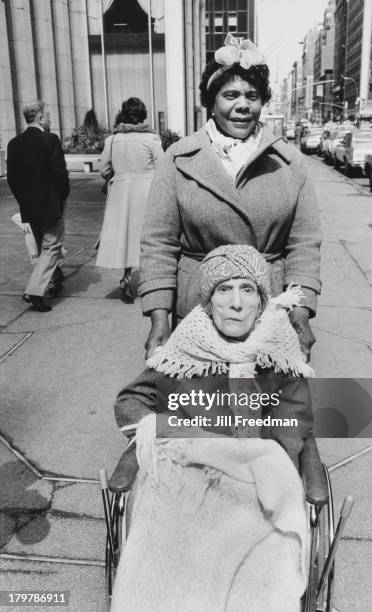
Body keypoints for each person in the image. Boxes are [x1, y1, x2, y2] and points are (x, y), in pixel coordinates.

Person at [111, 245, 313, 611]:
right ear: (208, 301)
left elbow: (294, 427)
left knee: (262, 574)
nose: (236, 303)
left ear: (262, 301)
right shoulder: (185, 349)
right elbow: (131, 401)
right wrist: (169, 430)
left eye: (247, 290)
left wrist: (261, 456)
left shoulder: (278, 354)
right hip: (186, 483)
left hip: (255, 490)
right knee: (165, 565)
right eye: (224, 290)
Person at [139, 33, 322, 361]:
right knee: (201, 406)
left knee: (261, 405)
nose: (243, 105)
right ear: (211, 100)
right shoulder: (177, 158)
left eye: (252, 95)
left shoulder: (290, 162)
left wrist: (301, 314)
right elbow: (158, 244)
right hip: (197, 308)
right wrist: (159, 318)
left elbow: (304, 246)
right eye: (231, 94)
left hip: (269, 308)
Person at [96, 97, 163, 303]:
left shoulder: (113, 140)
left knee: (125, 235)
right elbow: (163, 168)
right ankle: (148, 280)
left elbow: (103, 169)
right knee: (147, 236)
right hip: (146, 190)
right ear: (143, 116)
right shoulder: (151, 140)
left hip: (120, 191)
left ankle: (126, 276)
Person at [7, 100, 69, 312]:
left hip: (29, 207)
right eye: (48, 115)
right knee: (52, 248)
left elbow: (12, 179)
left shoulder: (14, 144)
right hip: (51, 205)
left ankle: (54, 279)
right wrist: (62, 196)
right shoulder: (49, 140)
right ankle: (34, 291)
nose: (50, 119)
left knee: (44, 246)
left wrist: (23, 200)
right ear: (40, 117)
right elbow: (59, 173)